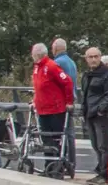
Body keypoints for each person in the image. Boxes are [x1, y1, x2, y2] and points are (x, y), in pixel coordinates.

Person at [31, 42, 76, 174]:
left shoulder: (51, 66)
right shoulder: (37, 68)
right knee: (46, 139)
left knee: (56, 139)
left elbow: (67, 82)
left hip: (55, 110)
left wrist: (69, 101)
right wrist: (35, 101)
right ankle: (48, 165)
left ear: (36, 54)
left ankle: (57, 167)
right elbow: (38, 88)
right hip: (43, 110)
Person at [81, 45, 108, 185]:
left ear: (100, 57)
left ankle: (105, 174)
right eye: (90, 57)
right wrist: (84, 111)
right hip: (90, 114)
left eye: (96, 56)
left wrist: (101, 109)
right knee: (96, 145)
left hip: (102, 115)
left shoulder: (107, 74)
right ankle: (101, 171)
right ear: (86, 59)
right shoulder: (87, 75)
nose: (93, 59)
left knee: (104, 145)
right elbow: (85, 95)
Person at [52, 38, 78, 174]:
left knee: (62, 134)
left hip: (62, 103)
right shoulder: (71, 62)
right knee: (70, 134)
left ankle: (62, 164)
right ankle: (72, 163)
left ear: (56, 48)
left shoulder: (57, 63)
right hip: (71, 101)